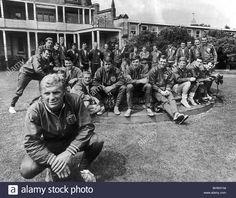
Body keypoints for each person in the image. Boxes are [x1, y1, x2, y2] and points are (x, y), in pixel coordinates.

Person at [20, 74, 104, 181]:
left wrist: (69, 151)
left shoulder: (75, 100)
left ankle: (83, 168)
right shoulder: (34, 110)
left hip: (72, 139)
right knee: (27, 169)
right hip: (50, 144)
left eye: (56, 92)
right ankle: (51, 168)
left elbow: (87, 127)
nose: (52, 98)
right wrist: (52, 160)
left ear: (64, 92)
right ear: (41, 94)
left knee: (97, 140)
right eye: (47, 93)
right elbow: (31, 143)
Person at [9, 49, 52, 114]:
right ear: (42, 53)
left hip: (34, 74)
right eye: (46, 54)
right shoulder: (36, 57)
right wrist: (46, 76)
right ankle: (11, 106)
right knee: (19, 91)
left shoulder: (46, 60)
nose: (48, 55)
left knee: (44, 84)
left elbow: (47, 69)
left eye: (49, 54)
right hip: (25, 73)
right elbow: (37, 69)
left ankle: (42, 101)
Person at [148, 56, 189, 124]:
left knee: (171, 98)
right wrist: (161, 91)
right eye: (161, 61)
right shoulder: (153, 70)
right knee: (165, 101)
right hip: (156, 91)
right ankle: (175, 116)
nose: (162, 63)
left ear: (166, 62)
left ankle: (176, 114)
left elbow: (170, 81)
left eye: (164, 62)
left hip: (165, 89)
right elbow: (151, 83)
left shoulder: (168, 70)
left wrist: (167, 89)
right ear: (158, 61)